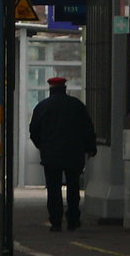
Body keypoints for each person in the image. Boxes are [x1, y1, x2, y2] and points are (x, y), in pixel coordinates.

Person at [29, 75, 97, 232]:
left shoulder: (42, 107)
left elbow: (34, 131)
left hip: (51, 155)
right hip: (74, 154)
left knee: (53, 189)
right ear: (65, 88)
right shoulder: (77, 105)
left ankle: (56, 221)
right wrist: (90, 147)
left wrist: (42, 146)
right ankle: (73, 219)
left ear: (50, 89)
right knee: (73, 187)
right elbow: (87, 128)